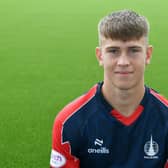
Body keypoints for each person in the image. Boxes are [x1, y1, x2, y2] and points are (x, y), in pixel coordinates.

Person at [50, 9, 168, 168]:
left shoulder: (165, 117)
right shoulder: (70, 122)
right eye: (113, 51)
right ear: (100, 56)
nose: (123, 61)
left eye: (133, 50)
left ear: (147, 54)